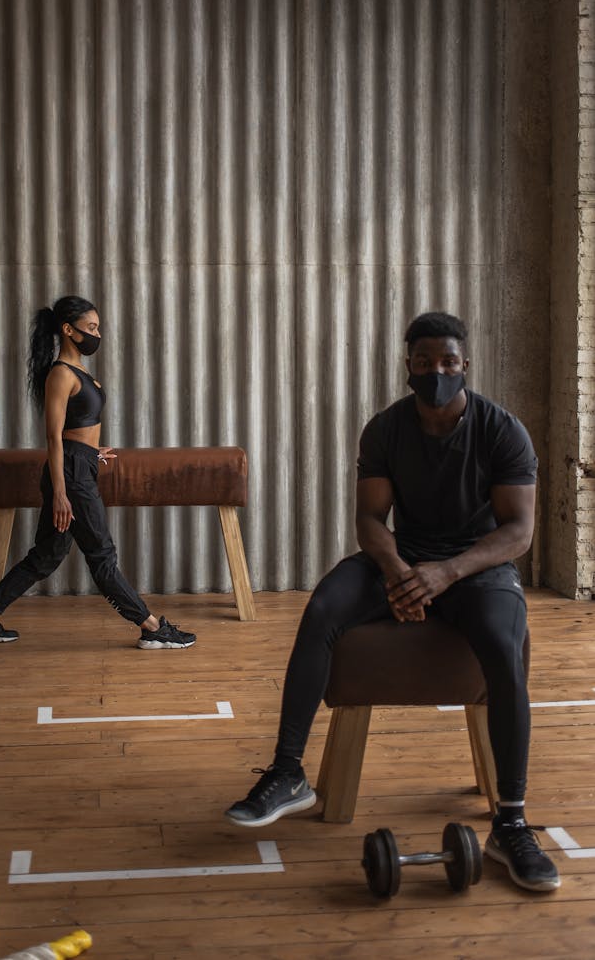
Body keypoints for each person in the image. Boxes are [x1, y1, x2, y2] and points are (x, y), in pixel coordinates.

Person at [225, 311, 559, 893]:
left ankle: (510, 821)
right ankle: (288, 773)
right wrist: (402, 574)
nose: (437, 373)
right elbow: (369, 519)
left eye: (449, 363)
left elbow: (518, 532)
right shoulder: (385, 429)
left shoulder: (502, 430)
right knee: (324, 607)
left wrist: (444, 574)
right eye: (426, 363)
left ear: (465, 366)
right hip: (403, 559)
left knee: (505, 648)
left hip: (475, 566)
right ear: (409, 366)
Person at [0, 295, 196, 651]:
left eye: (98, 327)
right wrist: (60, 492)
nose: (97, 334)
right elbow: (53, 438)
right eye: (91, 328)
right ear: (68, 331)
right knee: (101, 555)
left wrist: (90, 449)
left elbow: (77, 428)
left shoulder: (80, 373)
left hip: (79, 462)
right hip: (69, 474)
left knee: (45, 557)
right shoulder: (60, 374)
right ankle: (151, 626)